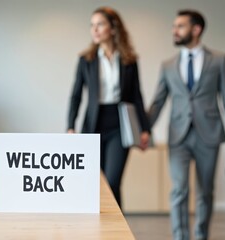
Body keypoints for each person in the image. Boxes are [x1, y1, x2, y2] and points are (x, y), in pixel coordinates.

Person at [148, 10, 225, 240]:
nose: (174, 31)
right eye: (174, 26)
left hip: (209, 134)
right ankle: (181, 237)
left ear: (196, 29)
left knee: (205, 191)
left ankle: (201, 235)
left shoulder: (219, 60)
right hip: (178, 136)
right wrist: (144, 129)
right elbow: (158, 101)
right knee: (179, 188)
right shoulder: (168, 65)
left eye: (180, 26)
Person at [67, 6, 150, 207]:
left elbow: (136, 96)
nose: (94, 29)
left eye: (100, 24)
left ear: (113, 29)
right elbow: (76, 95)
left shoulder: (129, 60)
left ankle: (116, 232)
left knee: (112, 181)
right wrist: (70, 126)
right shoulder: (86, 60)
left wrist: (145, 128)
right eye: (92, 25)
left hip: (120, 126)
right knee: (94, 182)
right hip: (93, 124)